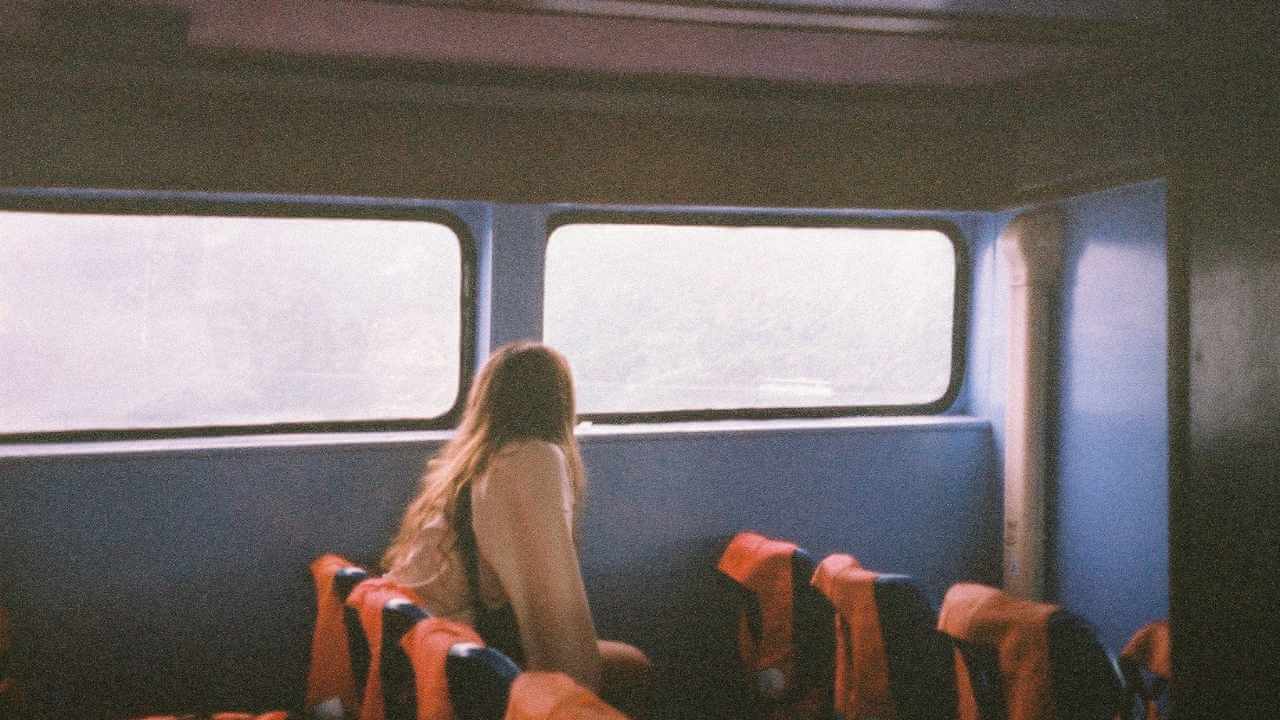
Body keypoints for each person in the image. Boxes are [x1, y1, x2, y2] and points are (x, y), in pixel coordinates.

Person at [383, 341, 652, 715]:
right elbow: (553, 605)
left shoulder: (475, 463)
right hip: (464, 659)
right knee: (633, 666)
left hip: (426, 648)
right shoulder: (533, 460)